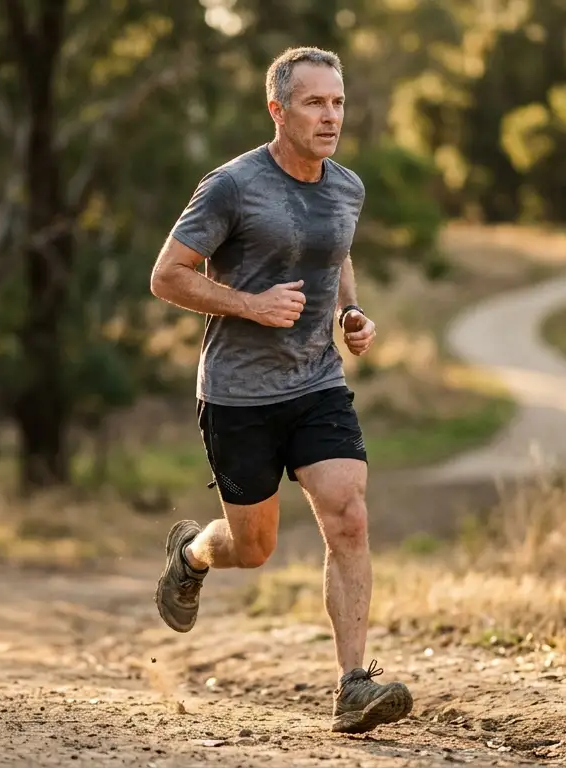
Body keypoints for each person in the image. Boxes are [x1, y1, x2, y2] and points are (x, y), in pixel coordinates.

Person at [147, 45, 413, 735]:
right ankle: (191, 554)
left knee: (348, 515)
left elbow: (338, 250)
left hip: (316, 383)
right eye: (314, 103)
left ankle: (354, 685)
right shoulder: (232, 186)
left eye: (339, 102)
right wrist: (249, 303)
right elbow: (167, 276)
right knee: (253, 547)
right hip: (238, 394)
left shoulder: (346, 186)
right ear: (278, 110)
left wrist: (349, 313)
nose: (331, 117)